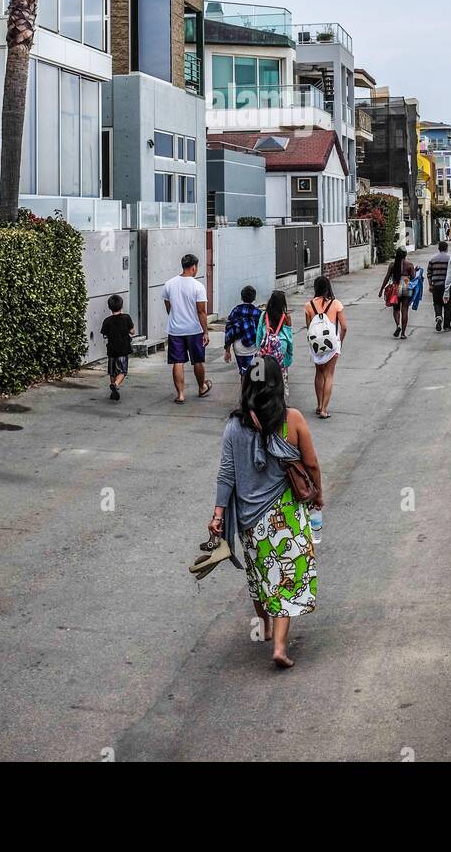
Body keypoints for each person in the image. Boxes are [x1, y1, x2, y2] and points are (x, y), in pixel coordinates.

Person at [210, 355, 320, 669]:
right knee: (288, 576)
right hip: (285, 514)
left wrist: (218, 515)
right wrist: (318, 495)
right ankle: (280, 647)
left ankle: (267, 627)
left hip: (249, 521)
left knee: (260, 576)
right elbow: (311, 464)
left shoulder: (234, 424)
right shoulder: (292, 419)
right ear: (277, 385)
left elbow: (226, 475)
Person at [163, 253, 212, 403]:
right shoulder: (198, 286)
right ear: (193, 267)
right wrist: (206, 331)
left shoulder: (169, 284)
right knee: (197, 360)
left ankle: (180, 395)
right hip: (194, 330)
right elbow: (201, 311)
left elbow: (168, 306)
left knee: (178, 361)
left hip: (175, 329)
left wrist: (176, 317)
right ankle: (202, 387)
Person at [305, 276, 347, 419]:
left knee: (319, 373)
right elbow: (344, 327)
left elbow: (308, 328)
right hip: (332, 344)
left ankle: (318, 405)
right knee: (329, 375)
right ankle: (324, 409)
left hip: (316, 346)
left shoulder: (309, 305)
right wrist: (339, 341)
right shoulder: (336, 304)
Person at [255, 290, 294, 389]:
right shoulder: (286, 317)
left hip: (266, 348)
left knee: (264, 375)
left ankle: (265, 395)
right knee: (282, 373)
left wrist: (259, 349)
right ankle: (282, 398)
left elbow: (259, 334)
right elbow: (289, 338)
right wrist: (289, 353)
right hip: (281, 347)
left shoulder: (264, 315)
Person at [100, 294, 134, 401]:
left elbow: (104, 335)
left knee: (112, 372)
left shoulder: (107, 321)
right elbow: (132, 331)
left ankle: (114, 392)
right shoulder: (126, 318)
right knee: (122, 371)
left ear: (109, 307)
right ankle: (116, 384)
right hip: (123, 349)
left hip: (111, 350)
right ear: (121, 306)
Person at [379, 246, 417, 339]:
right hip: (406, 285)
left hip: (395, 287)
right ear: (405, 254)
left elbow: (387, 277)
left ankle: (398, 325)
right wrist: (415, 271)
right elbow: (413, 278)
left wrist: (381, 289)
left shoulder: (392, 265)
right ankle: (403, 333)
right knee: (405, 309)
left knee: (396, 309)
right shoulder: (409, 265)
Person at [224, 285, 261, 380]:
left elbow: (228, 330)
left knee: (243, 373)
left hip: (238, 347)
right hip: (253, 347)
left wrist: (227, 351)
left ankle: (244, 393)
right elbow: (261, 332)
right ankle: (254, 394)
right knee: (255, 376)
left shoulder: (235, 311)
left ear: (241, 297)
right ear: (254, 298)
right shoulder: (258, 313)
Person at [427, 240, 451, 331]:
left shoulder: (432, 259)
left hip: (436, 285)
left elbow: (429, 273)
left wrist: (430, 284)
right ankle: (447, 326)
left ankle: (438, 316)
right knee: (448, 305)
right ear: (446, 248)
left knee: (437, 302)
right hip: (448, 286)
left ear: (438, 249)